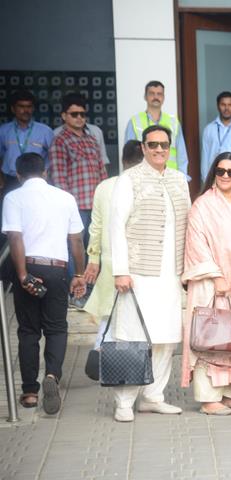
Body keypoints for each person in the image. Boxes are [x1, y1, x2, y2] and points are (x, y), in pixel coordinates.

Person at [110, 125, 190, 422]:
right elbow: (116, 226)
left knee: (167, 337)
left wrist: (188, 270)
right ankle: (124, 401)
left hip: (171, 273)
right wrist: (120, 271)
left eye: (164, 145)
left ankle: (153, 396)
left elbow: (189, 223)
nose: (159, 150)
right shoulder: (129, 179)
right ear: (143, 147)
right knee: (134, 338)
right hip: (139, 273)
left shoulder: (178, 179)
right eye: (153, 145)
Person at [1, 152, 86, 414]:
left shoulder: (13, 197)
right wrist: (79, 275)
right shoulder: (65, 198)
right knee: (57, 328)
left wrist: (23, 274)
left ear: (18, 174)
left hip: (27, 265)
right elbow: (76, 241)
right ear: (45, 173)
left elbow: (15, 238)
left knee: (28, 331)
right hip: (57, 269)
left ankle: (29, 393)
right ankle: (52, 376)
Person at [181, 152, 231, 415]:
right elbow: (196, 244)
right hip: (212, 283)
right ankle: (209, 397)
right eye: (220, 171)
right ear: (213, 173)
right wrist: (216, 276)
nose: (225, 176)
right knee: (211, 338)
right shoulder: (202, 205)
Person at [84, 141, 144, 338]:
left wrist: (93, 260)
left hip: (111, 263)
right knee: (140, 321)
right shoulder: (147, 186)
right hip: (143, 263)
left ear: (123, 160)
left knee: (108, 320)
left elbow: (96, 227)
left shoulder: (104, 187)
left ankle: (106, 364)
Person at [49, 93, 108, 283]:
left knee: (95, 246)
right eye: (74, 114)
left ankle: (91, 288)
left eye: (82, 114)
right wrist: (67, 205)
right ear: (64, 116)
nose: (79, 118)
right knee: (75, 246)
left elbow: (102, 171)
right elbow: (58, 176)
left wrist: (106, 197)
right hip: (75, 205)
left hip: (96, 204)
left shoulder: (91, 139)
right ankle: (76, 288)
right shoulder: (60, 141)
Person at [124, 80, 189, 177]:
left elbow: (182, 154)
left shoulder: (173, 122)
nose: (156, 97)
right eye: (152, 93)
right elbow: (129, 156)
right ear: (145, 97)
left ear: (163, 97)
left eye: (159, 94)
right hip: (143, 178)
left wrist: (182, 177)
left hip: (170, 177)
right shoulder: (134, 121)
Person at [0, 90, 54, 196]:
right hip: (11, 181)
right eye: (21, 106)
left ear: (33, 109)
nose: (26, 110)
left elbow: (54, 157)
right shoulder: (3, 131)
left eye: (29, 106)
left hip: (38, 181)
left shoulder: (45, 131)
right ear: (13, 109)